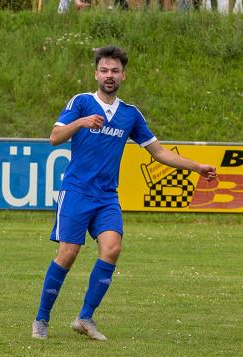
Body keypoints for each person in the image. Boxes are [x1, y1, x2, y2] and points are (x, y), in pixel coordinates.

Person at [31, 45, 217, 341]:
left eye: (115, 71)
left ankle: (85, 318)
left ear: (123, 76)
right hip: (77, 191)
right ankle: (42, 318)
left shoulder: (129, 114)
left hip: (106, 197)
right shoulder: (81, 103)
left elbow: (158, 152)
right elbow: (54, 138)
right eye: (104, 70)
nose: (109, 75)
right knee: (68, 254)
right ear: (96, 73)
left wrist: (196, 167)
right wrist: (81, 122)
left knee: (112, 248)